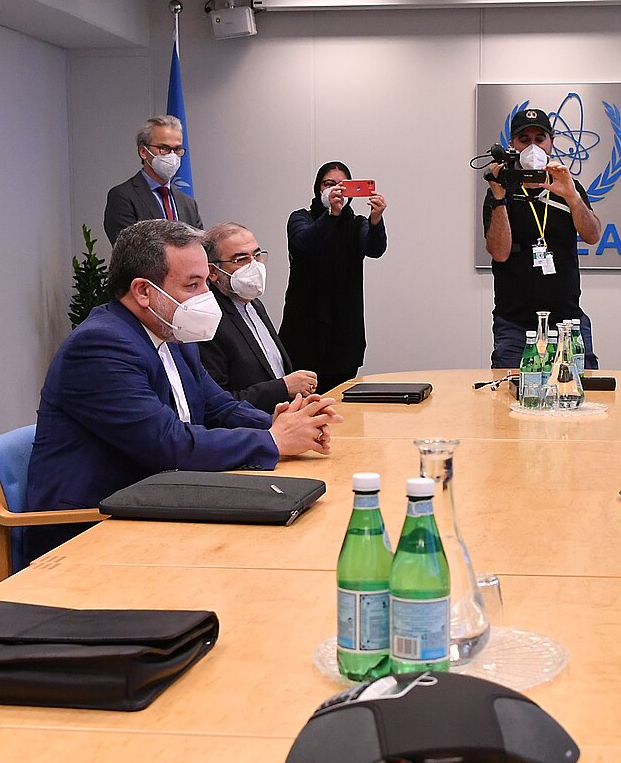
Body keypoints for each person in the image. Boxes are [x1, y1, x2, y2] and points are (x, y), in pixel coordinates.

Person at [27, 219, 341, 551]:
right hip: (89, 528)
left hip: (155, 500)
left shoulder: (172, 332)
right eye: (192, 285)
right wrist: (273, 440)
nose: (206, 296)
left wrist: (284, 423)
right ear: (144, 291)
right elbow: (169, 443)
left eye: (206, 282)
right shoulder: (100, 346)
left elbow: (218, 407)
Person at [482, 107, 601, 368]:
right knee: (506, 403)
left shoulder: (568, 185)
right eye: (524, 140)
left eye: (540, 139)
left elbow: (592, 235)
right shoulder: (501, 191)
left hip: (568, 322)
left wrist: (571, 195)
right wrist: (500, 197)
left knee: (581, 398)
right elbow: (499, 252)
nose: (533, 147)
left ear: (551, 142)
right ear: (512, 144)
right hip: (515, 325)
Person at [280, 161, 388, 388]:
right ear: (318, 188)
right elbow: (306, 242)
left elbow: (375, 249)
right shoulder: (300, 218)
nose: (336, 190)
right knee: (304, 402)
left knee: (343, 407)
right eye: (329, 184)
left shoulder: (358, 223)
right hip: (304, 329)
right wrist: (331, 215)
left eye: (342, 185)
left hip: (344, 332)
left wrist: (376, 219)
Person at [200, 222, 317, 410]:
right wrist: (283, 388)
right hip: (253, 430)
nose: (253, 265)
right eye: (241, 259)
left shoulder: (254, 304)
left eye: (257, 255)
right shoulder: (208, 320)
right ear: (213, 271)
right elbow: (215, 404)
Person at [104, 115, 202, 245]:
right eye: (164, 148)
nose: (172, 155)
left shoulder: (188, 203)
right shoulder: (123, 197)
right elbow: (129, 250)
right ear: (143, 151)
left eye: (177, 149)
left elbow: (201, 248)